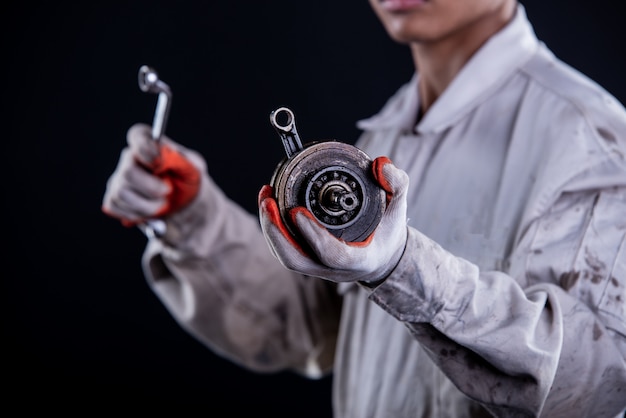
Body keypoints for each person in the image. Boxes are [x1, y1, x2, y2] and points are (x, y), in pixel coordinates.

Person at [102, 0, 626, 416]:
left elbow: (598, 387)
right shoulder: (389, 130)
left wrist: (403, 269)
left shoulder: (590, 141)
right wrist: (191, 216)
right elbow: (313, 329)